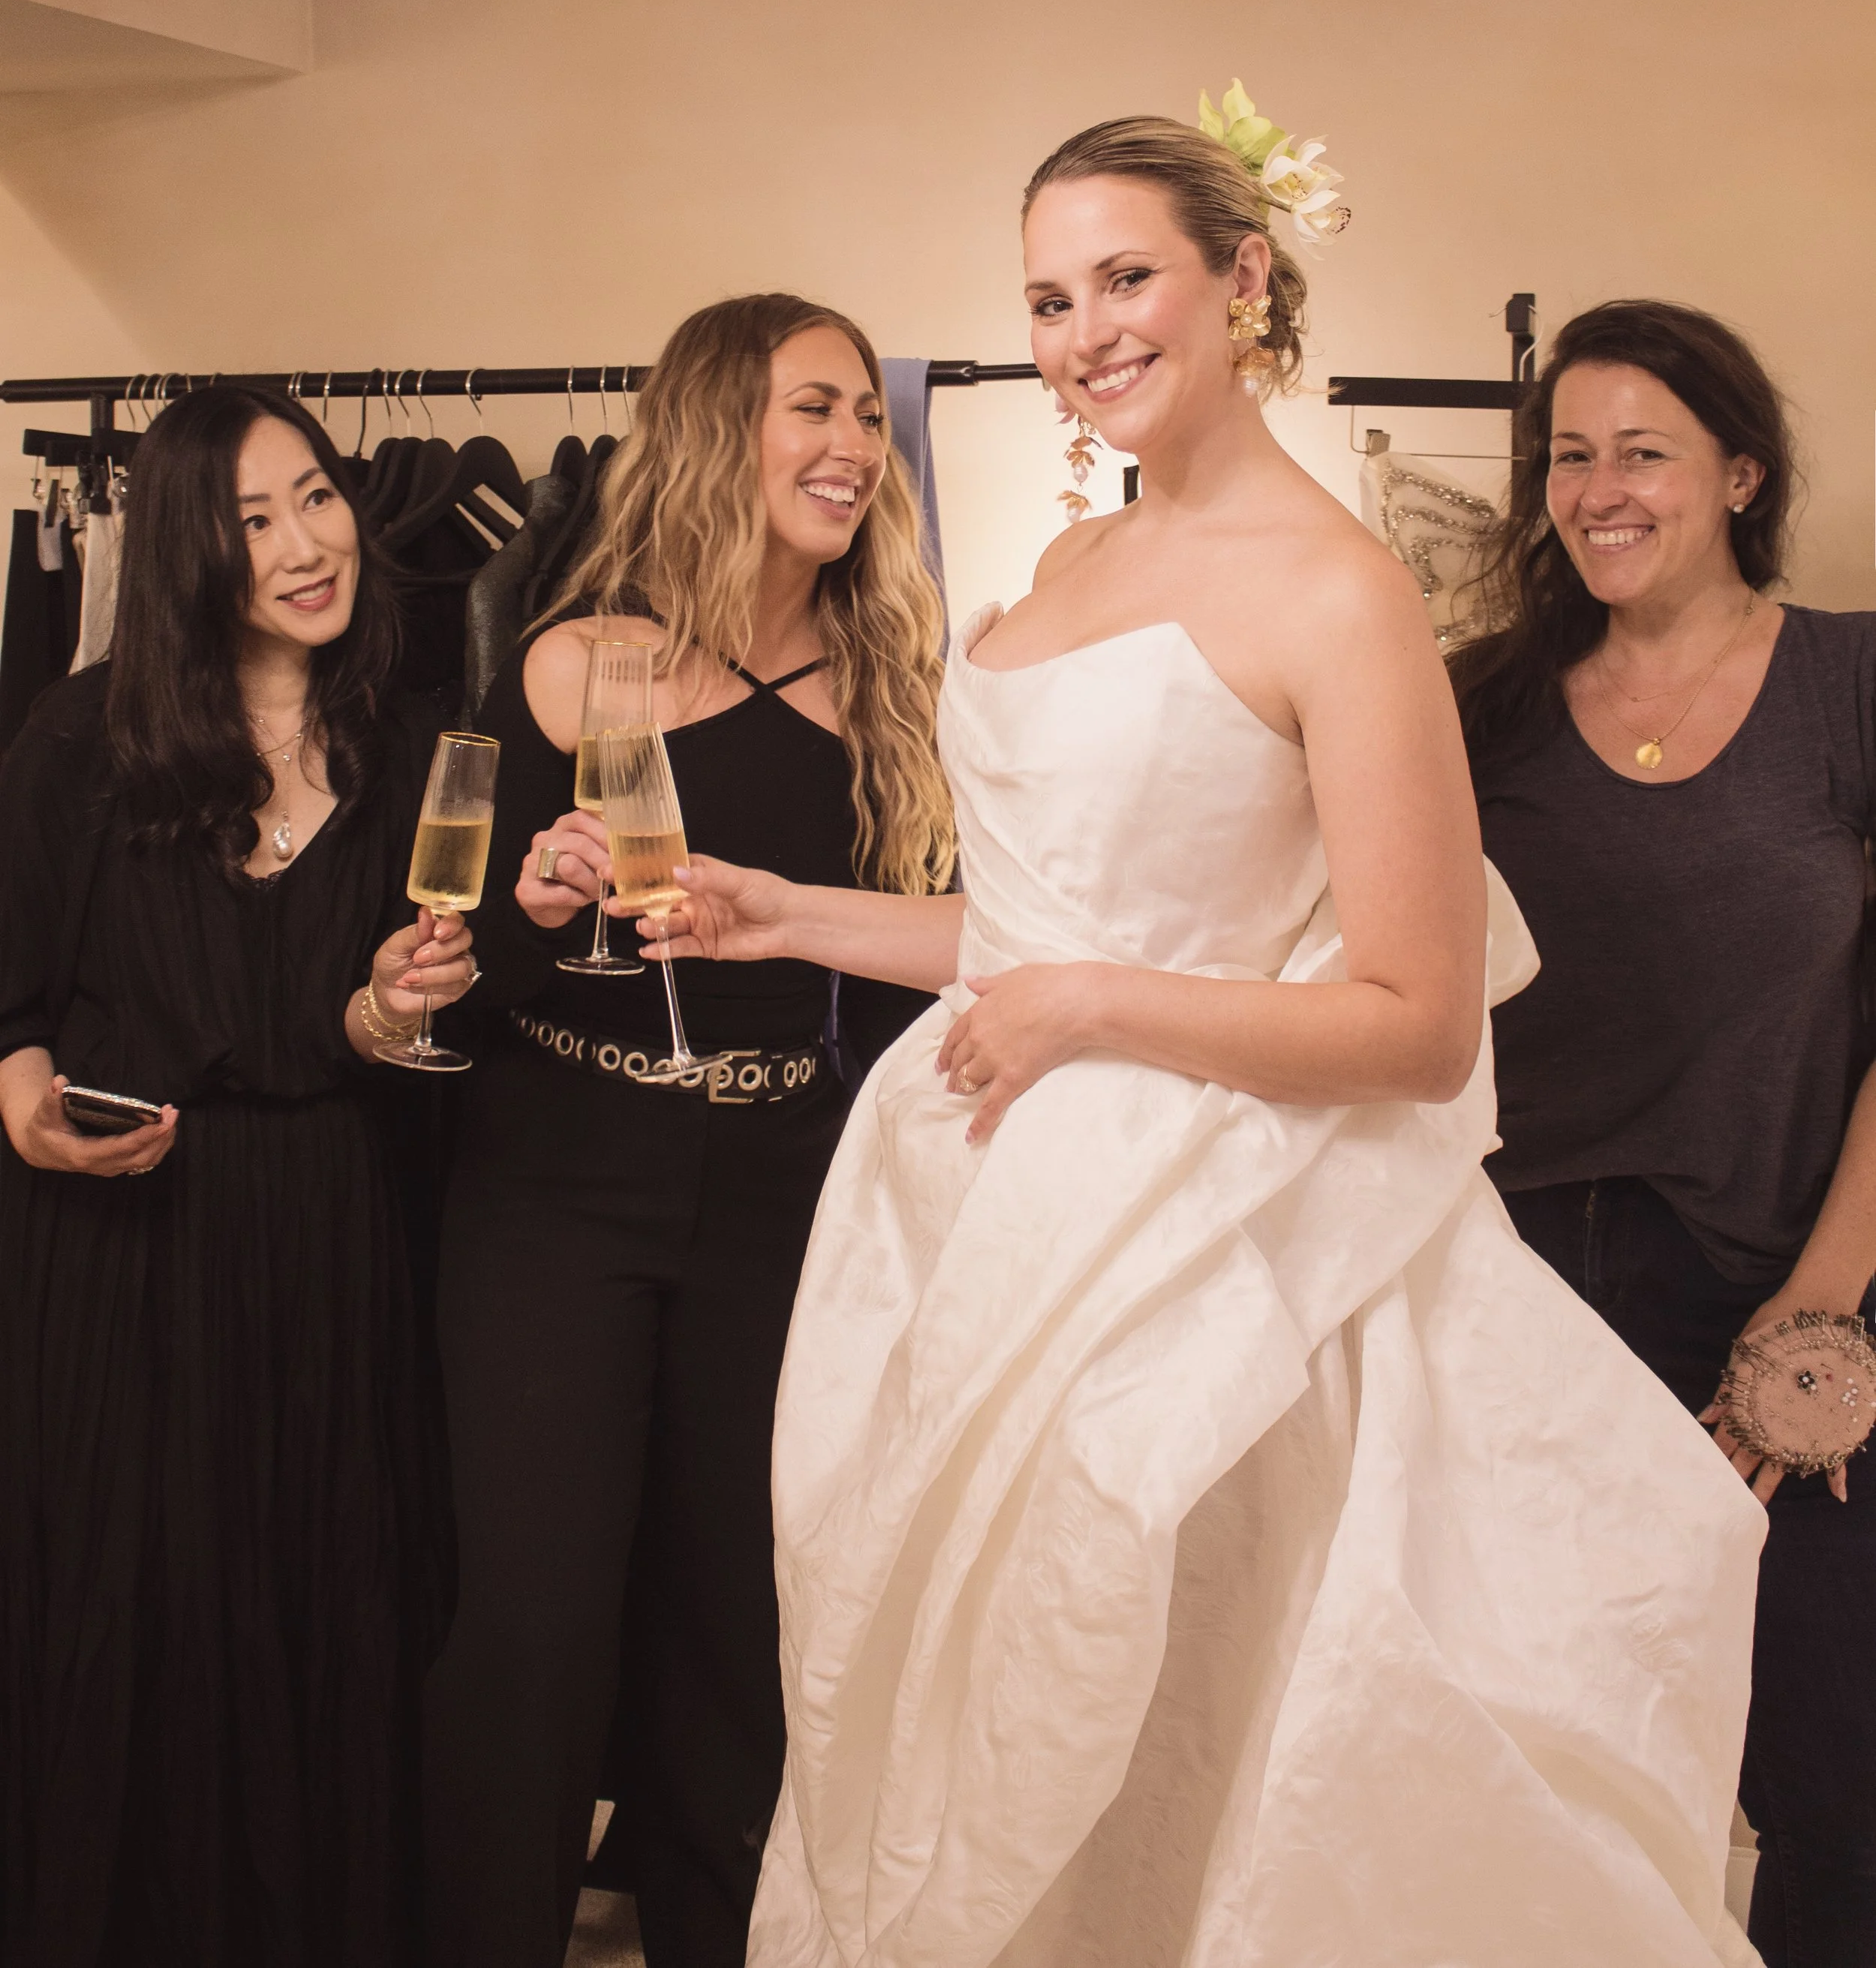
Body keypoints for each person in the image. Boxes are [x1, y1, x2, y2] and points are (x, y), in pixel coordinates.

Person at [660, 113, 1767, 1968]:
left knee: (1197, 1758)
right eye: (1045, 296)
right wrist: (777, 912)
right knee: (971, 1721)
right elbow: (1030, 932)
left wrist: (1084, 1012)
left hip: (1214, 1255)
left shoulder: (1341, 594)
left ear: (1240, 281)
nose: (1083, 329)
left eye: (1124, 277)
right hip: (984, 1222)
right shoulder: (1060, 564)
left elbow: (1413, 1026)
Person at [421, 293, 951, 1968]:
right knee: (533, 1619)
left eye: (866, 416)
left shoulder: (894, 688)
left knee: (745, 1619)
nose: (853, 448)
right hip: (558, 1184)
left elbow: (912, 976)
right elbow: (477, 975)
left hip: (789, 1191)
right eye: (813, 409)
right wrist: (529, 893)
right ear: (722, 429)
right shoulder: (590, 659)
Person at [0, 384, 477, 1968]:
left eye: (318, 497)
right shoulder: (84, 731)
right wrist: (19, 1100)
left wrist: (393, 1007)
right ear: (188, 548)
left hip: (334, 1237)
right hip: (124, 1238)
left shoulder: (415, 737)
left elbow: (362, 1031)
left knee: (326, 1610)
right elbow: (9, 996)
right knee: (130, 1617)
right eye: (252, 517)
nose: (303, 542)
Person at [1451, 299, 1876, 1968]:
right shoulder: (1475, 702)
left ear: (1739, 476)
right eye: (1568, 454)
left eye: (1643, 451)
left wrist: (1818, 1317)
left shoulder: (1848, 679)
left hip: (1783, 1279)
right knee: (1549, 1774)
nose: (1597, 487)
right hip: (1517, 1304)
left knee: (1834, 1783)